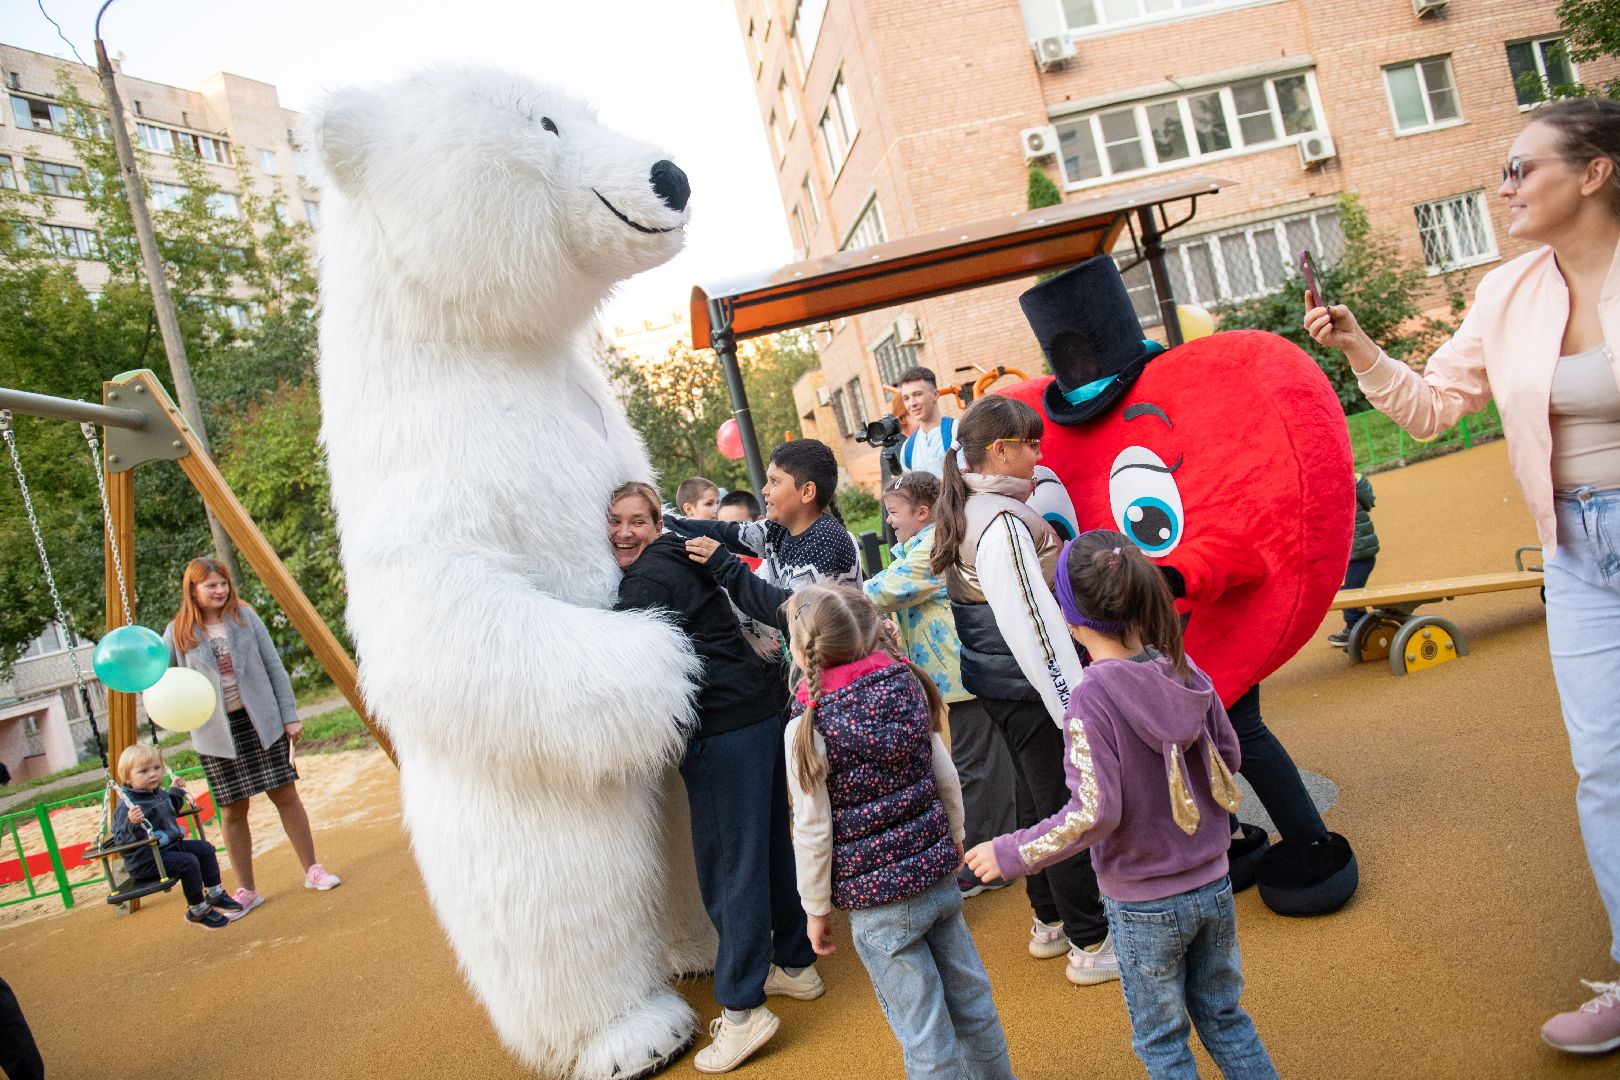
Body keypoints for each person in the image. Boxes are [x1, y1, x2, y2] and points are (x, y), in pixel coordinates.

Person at [1304, 97, 1620, 1055]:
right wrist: (1358, 344)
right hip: (1574, 549)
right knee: (1606, 771)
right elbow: (1437, 407)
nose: (1505, 186)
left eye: (1525, 168)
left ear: (1598, 172)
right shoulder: (1508, 291)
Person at [965, 531, 1276, 1080]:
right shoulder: (1184, 668)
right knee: (1226, 1019)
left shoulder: (1091, 696)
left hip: (1143, 900)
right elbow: (1227, 754)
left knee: (1161, 1043)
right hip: (1212, 881)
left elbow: (1093, 811)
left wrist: (1011, 852)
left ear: (1069, 615)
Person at [609, 483, 820, 1074]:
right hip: (756, 717)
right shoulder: (678, 552)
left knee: (731, 868)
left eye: (637, 522)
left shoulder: (646, 579)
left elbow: (625, 657)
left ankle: (744, 1007)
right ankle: (796, 965)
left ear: (657, 524)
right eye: (616, 522)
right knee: (770, 849)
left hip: (723, 730)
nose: (625, 533)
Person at [784, 583, 1014, 1080]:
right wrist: (956, 834)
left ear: (805, 654)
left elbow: (813, 830)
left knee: (923, 1034)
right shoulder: (907, 684)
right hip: (937, 877)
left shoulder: (808, 727)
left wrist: (815, 908)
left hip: (880, 905)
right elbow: (944, 772)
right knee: (974, 1007)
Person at [928, 394, 1113, 987]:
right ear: (1000, 451)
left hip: (999, 684)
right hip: (1030, 687)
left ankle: (1051, 918)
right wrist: (1071, 704)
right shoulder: (1001, 522)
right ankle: (1092, 939)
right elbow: (1033, 622)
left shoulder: (972, 508)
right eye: (1031, 444)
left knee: (1035, 801)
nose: (1039, 453)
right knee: (1065, 805)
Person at [862, 471, 1017, 897]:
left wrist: (835, 597)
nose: (889, 520)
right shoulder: (923, 543)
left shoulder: (931, 545)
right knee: (983, 761)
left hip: (961, 672)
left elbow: (885, 590)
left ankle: (988, 860)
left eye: (894, 512)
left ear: (923, 512)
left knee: (975, 766)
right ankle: (998, 850)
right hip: (955, 672)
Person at [164, 558, 340, 915]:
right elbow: (166, 681)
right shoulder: (179, 632)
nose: (220, 590)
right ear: (193, 591)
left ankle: (312, 869)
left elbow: (274, 666)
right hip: (215, 734)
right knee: (231, 810)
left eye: (223, 583)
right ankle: (247, 889)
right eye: (211, 585)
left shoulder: (245, 618)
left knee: (285, 794)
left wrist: (289, 715)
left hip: (262, 721)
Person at [672, 440, 862, 663]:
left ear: (807, 491)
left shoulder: (824, 539)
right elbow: (726, 533)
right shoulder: (779, 529)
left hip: (844, 672)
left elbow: (788, 610)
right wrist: (665, 523)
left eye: (774, 482)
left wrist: (725, 566)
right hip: (811, 670)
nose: (764, 490)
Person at [111, 742, 245, 929]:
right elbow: (121, 838)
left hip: (168, 849)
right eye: (143, 771)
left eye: (157, 768)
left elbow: (170, 810)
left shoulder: (157, 793)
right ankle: (197, 910)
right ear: (128, 778)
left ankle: (215, 894)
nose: (152, 774)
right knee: (188, 862)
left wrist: (174, 792)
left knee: (205, 849)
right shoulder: (129, 804)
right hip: (146, 861)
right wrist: (132, 823)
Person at [1327, 473, 1379, 649]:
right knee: (1349, 591)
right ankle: (1361, 625)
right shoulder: (1352, 481)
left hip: (1357, 555)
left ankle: (1357, 627)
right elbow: (1368, 499)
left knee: (1349, 593)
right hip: (1360, 554)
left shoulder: (1337, 489)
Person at [897, 367, 954, 477]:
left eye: (917, 394)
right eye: (906, 398)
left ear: (935, 395)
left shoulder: (958, 433)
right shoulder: (907, 448)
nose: (912, 403)